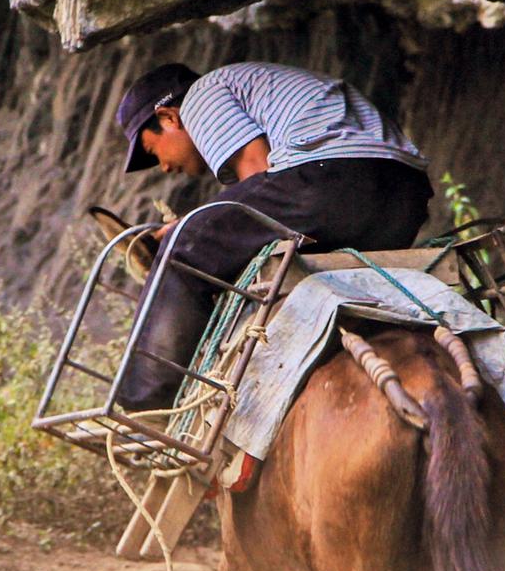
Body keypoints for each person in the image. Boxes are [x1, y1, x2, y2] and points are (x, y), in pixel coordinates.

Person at [110, 60, 433, 413]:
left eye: (154, 151)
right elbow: (259, 200)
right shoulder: (253, 85)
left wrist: (186, 231)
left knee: (181, 246)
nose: (165, 167)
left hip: (333, 178)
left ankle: (144, 407)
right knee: (200, 229)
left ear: (169, 117)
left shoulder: (199, 98)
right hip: (404, 194)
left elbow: (259, 184)